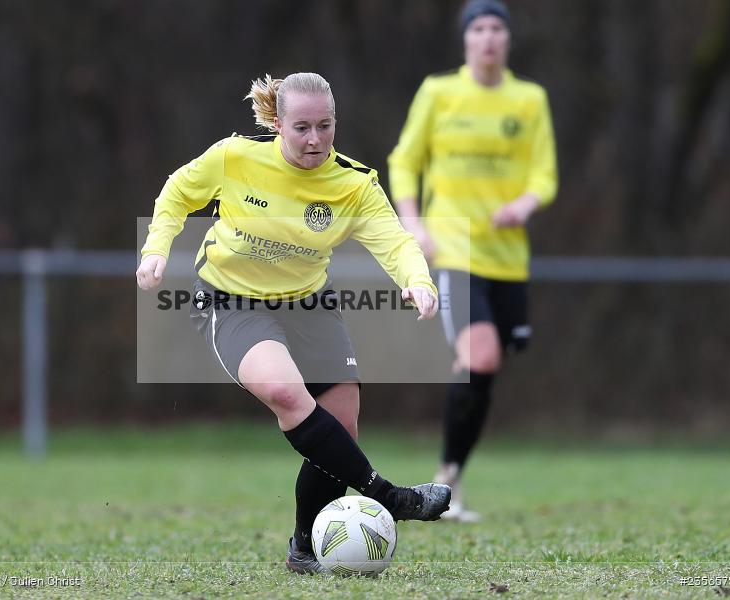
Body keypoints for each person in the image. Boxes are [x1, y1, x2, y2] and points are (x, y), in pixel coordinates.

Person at [137, 72, 451, 574]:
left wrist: (418, 280)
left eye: (325, 126)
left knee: (342, 423)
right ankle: (390, 498)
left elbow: (395, 242)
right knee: (287, 395)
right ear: (277, 124)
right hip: (231, 300)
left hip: (307, 302)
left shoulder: (353, 183)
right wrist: (156, 249)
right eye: (301, 127)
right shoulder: (235, 157)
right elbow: (177, 193)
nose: (315, 139)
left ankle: (304, 548)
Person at [388, 0, 558, 522]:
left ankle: (448, 478)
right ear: (466, 40)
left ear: (507, 40)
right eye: (478, 28)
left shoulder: (529, 99)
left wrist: (524, 204)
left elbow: (545, 175)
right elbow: (403, 161)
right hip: (454, 249)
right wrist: (414, 224)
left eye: (496, 29)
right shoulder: (439, 92)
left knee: (484, 369)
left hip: (508, 259)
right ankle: (445, 483)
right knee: (480, 358)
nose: (488, 38)